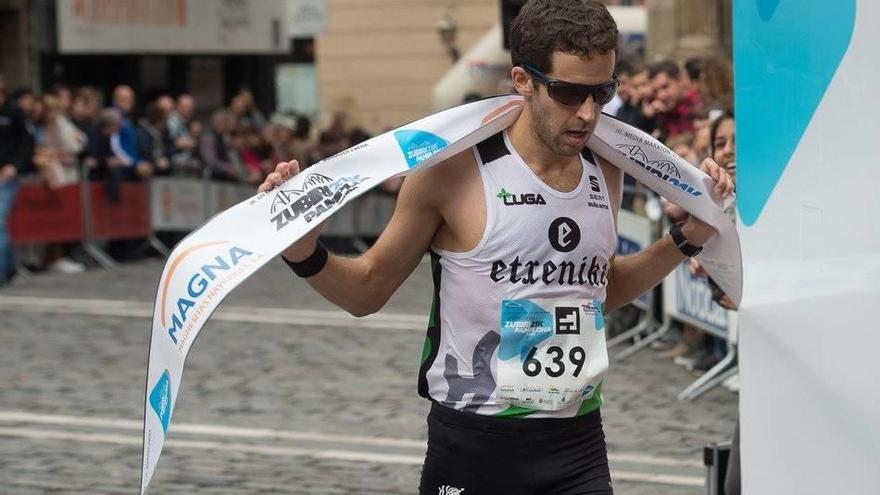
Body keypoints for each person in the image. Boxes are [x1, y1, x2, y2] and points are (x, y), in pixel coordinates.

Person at [259, 1, 733, 493]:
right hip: (474, 445)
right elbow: (367, 291)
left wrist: (683, 239)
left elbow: (597, 290)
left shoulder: (604, 167)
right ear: (523, 81)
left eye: (602, 92)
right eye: (569, 93)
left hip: (577, 444)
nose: (589, 113)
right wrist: (303, 252)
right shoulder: (451, 172)